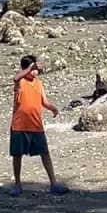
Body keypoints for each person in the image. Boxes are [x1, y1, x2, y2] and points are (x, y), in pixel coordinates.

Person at [9, 55, 68, 195]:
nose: (35, 72)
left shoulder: (38, 83)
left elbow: (44, 101)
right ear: (26, 69)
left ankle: (53, 183)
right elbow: (16, 78)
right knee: (17, 155)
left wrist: (53, 108)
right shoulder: (21, 82)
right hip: (19, 125)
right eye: (32, 70)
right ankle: (17, 184)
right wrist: (30, 67)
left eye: (36, 70)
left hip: (36, 124)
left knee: (45, 153)